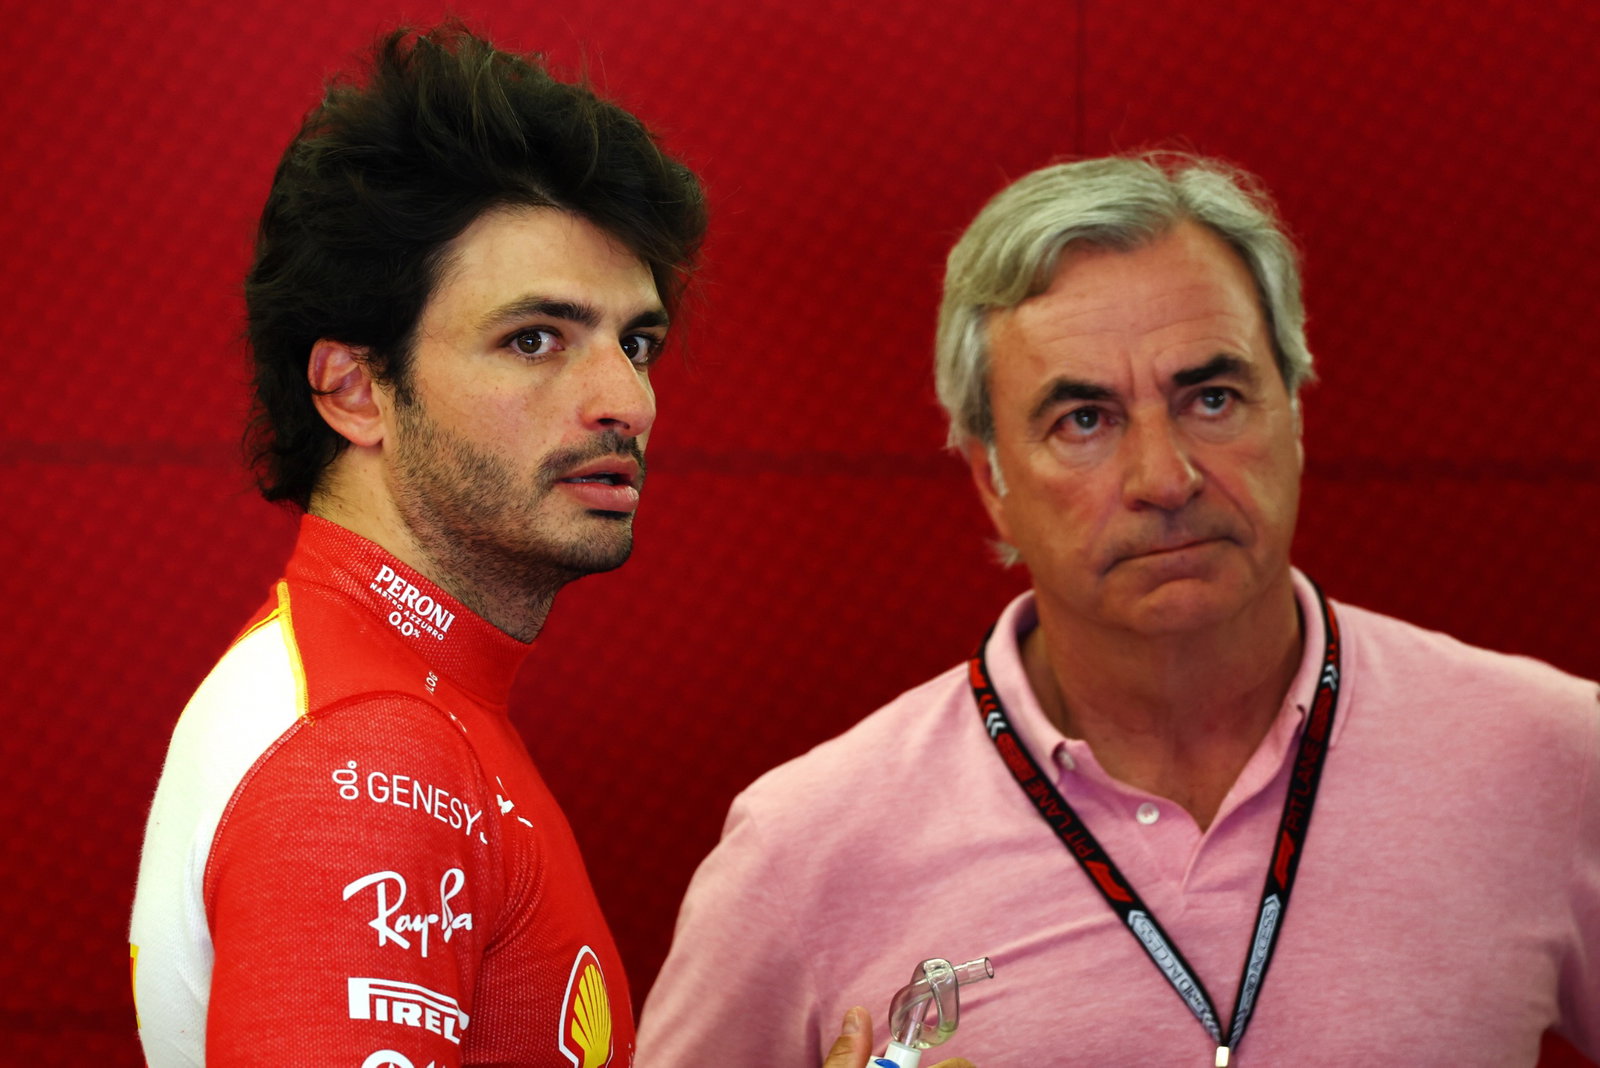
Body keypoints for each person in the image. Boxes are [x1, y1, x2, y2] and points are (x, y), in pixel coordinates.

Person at [637, 153, 1600, 1065]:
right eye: (1085, 421)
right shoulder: (806, 845)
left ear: (1295, 415)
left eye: (1212, 398)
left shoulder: (1551, 756)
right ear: (992, 478)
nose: (1165, 478)